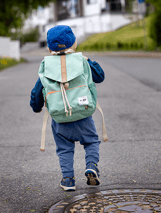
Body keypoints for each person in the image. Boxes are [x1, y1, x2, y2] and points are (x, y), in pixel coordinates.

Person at [30, 25, 105, 191]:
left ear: (49, 48)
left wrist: (36, 107)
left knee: (64, 149)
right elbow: (100, 77)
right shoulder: (81, 61)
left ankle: (68, 180)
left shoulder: (46, 65)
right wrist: (88, 61)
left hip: (60, 118)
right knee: (91, 141)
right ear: (75, 44)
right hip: (83, 113)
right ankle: (91, 165)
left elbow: (38, 90)